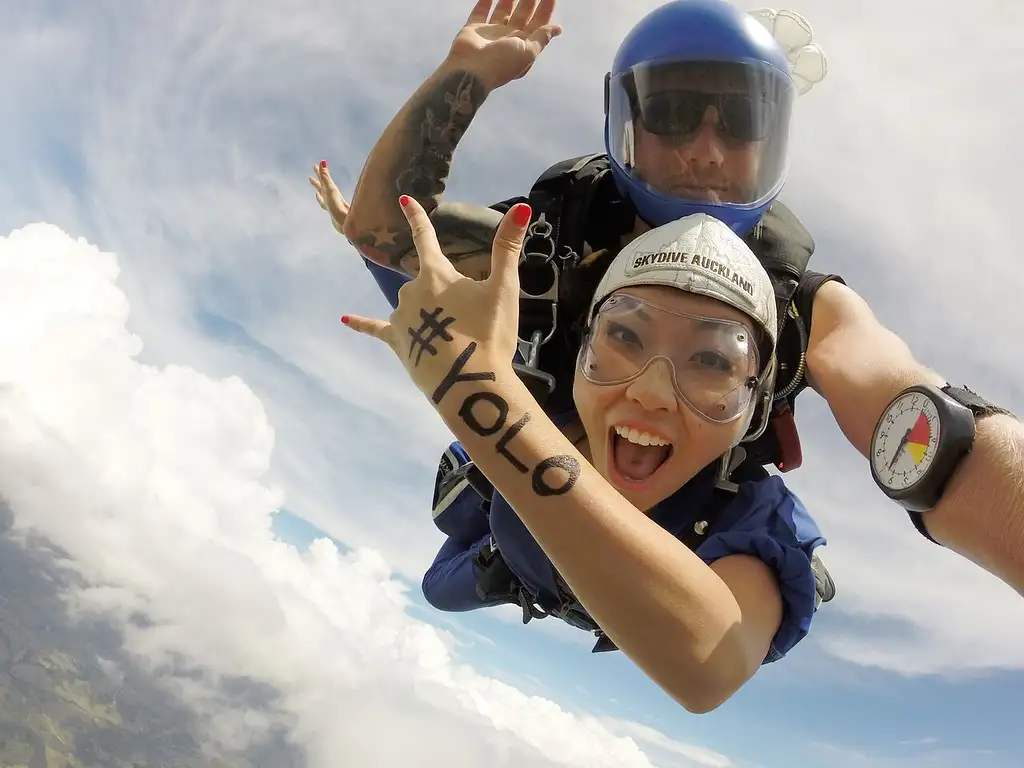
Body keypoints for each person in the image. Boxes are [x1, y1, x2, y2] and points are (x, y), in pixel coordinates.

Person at [333, 0, 1024, 595]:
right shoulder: (539, 246)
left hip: (678, 521)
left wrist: (979, 473)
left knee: (771, 575)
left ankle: (509, 556)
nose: (708, 150)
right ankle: (497, 557)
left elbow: (905, 401)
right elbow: (383, 231)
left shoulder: (802, 307)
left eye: (742, 122)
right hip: (535, 484)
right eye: (672, 111)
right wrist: (467, 78)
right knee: (466, 566)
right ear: (625, 119)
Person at [342, 195, 826, 713]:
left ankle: (496, 536)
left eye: (711, 360)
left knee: (437, 588)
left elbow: (713, 663)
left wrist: (476, 391)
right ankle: (489, 508)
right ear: (581, 349)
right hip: (517, 540)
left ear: (754, 406)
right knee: (454, 544)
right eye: (623, 335)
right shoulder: (547, 397)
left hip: (516, 565)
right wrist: (362, 225)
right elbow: (401, 265)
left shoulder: (754, 520)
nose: (651, 392)